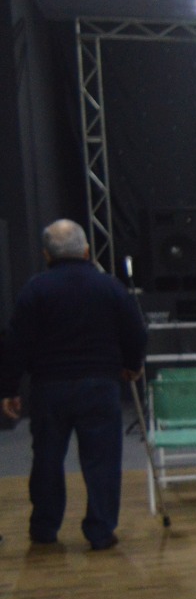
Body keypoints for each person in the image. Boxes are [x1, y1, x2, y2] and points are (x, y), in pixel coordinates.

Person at [1, 220, 147, 550]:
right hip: (100, 385)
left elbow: (16, 343)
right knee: (102, 461)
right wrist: (132, 365)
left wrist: (9, 388)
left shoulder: (35, 289)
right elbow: (135, 332)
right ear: (86, 251)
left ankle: (44, 527)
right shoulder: (109, 286)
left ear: (46, 255)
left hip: (49, 387)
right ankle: (100, 530)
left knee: (47, 460)